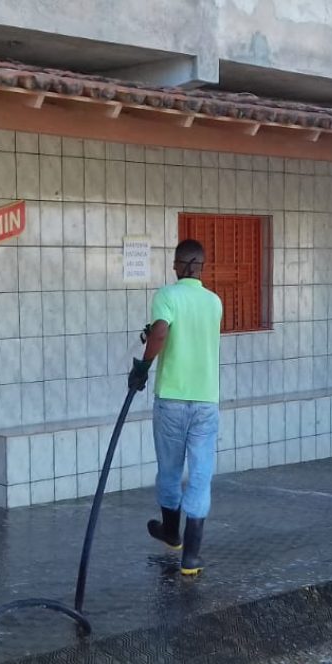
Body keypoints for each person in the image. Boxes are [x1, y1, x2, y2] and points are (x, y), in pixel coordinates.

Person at [128, 239, 222, 576]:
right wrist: (152, 334)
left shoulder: (166, 296)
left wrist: (142, 366)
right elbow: (178, 333)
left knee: (169, 469)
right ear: (202, 267)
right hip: (206, 401)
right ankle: (191, 559)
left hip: (171, 400)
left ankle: (171, 534)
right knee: (200, 474)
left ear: (175, 264)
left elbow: (163, 331)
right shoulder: (215, 302)